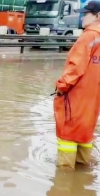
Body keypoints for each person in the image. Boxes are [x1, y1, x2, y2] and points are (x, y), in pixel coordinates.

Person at [53, 0, 100, 170]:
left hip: (77, 94)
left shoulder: (89, 35)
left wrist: (61, 86)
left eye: (85, 13)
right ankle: (83, 174)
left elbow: (76, 66)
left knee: (68, 134)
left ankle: (65, 180)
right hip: (94, 96)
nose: (81, 17)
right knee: (85, 133)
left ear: (97, 16)